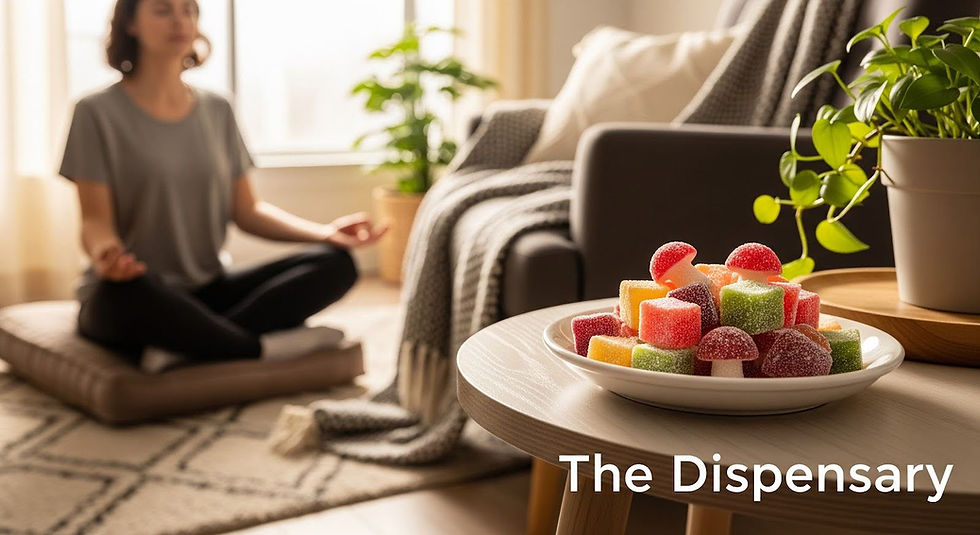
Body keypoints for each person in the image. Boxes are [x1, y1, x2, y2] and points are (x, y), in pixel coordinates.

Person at [59, 0, 388, 373]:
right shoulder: (94, 111)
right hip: (136, 292)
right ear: (130, 23)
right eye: (163, 10)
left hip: (208, 291)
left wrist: (326, 233)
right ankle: (260, 349)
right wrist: (108, 255)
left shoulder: (218, 109)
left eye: (189, 10)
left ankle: (190, 347)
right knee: (124, 297)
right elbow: (94, 221)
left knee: (335, 263)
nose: (180, 20)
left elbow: (247, 211)